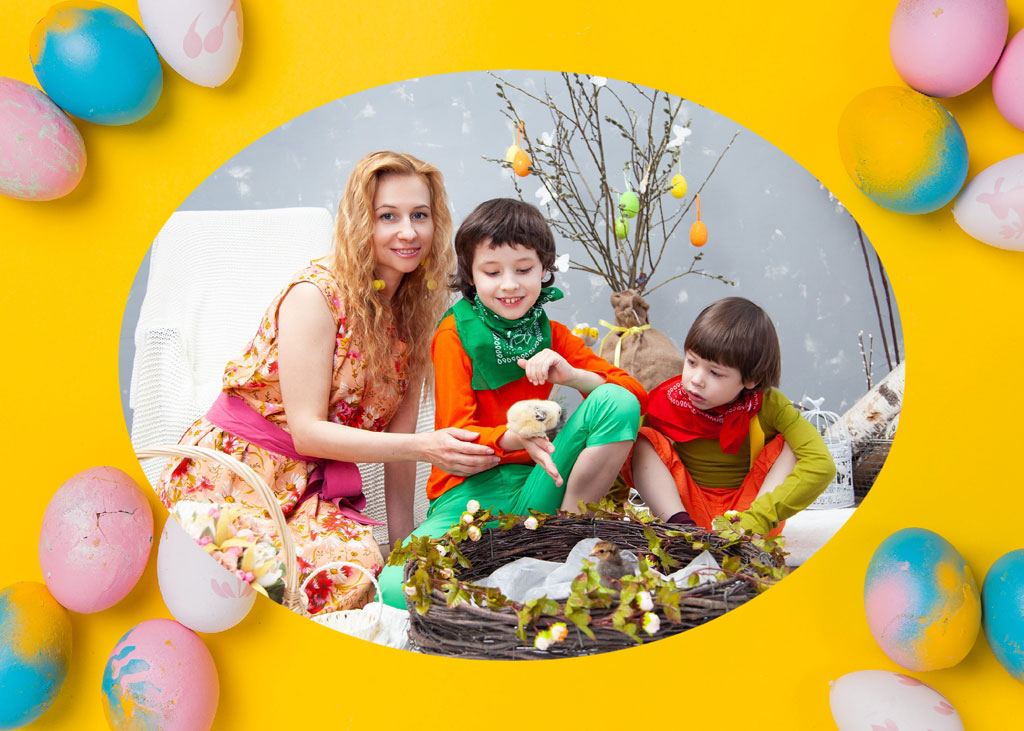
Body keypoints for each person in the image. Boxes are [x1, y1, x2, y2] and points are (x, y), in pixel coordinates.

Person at [156, 151, 499, 615]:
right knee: (255, 581)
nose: (408, 232)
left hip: (306, 488)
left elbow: (402, 440)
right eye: (388, 216)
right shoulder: (316, 295)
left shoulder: (417, 316)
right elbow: (308, 431)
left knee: (357, 569)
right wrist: (427, 445)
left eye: (420, 215)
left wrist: (404, 547)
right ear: (362, 221)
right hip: (234, 474)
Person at [378, 198, 647, 607]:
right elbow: (458, 436)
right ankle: (503, 595)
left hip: (542, 488)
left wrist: (570, 376)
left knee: (615, 400)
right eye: (491, 272)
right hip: (467, 497)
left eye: (523, 269)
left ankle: (569, 533)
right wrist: (517, 438)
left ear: (544, 269)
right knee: (396, 586)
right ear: (470, 275)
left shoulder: (552, 334)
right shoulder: (453, 335)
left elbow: (634, 396)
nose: (509, 284)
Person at [625, 296, 836, 536]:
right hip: (686, 510)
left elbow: (822, 465)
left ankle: (748, 534)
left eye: (715, 373)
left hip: (749, 514)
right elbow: (623, 454)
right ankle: (680, 529)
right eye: (692, 362)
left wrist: (758, 518)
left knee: (795, 447)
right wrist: (607, 506)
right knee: (640, 438)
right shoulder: (667, 400)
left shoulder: (770, 404)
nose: (696, 380)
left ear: (751, 379)